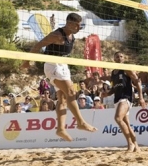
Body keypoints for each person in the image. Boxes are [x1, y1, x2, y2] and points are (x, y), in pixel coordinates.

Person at [21, 13, 97, 141]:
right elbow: (38, 45)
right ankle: (80, 122)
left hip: (63, 65)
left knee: (62, 99)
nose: (79, 28)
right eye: (77, 25)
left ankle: (60, 129)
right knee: (71, 92)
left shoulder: (72, 36)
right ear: (70, 24)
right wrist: (27, 61)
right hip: (52, 66)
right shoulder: (57, 35)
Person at [102, 52, 146, 152]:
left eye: (121, 56)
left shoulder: (126, 68)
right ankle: (136, 146)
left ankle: (130, 144)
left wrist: (141, 98)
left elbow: (137, 82)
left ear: (124, 58)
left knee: (117, 118)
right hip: (117, 99)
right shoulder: (113, 73)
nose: (119, 58)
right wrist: (107, 93)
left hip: (126, 98)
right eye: (117, 56)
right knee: (127, 124)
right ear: (114, 59)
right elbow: (114, 88)